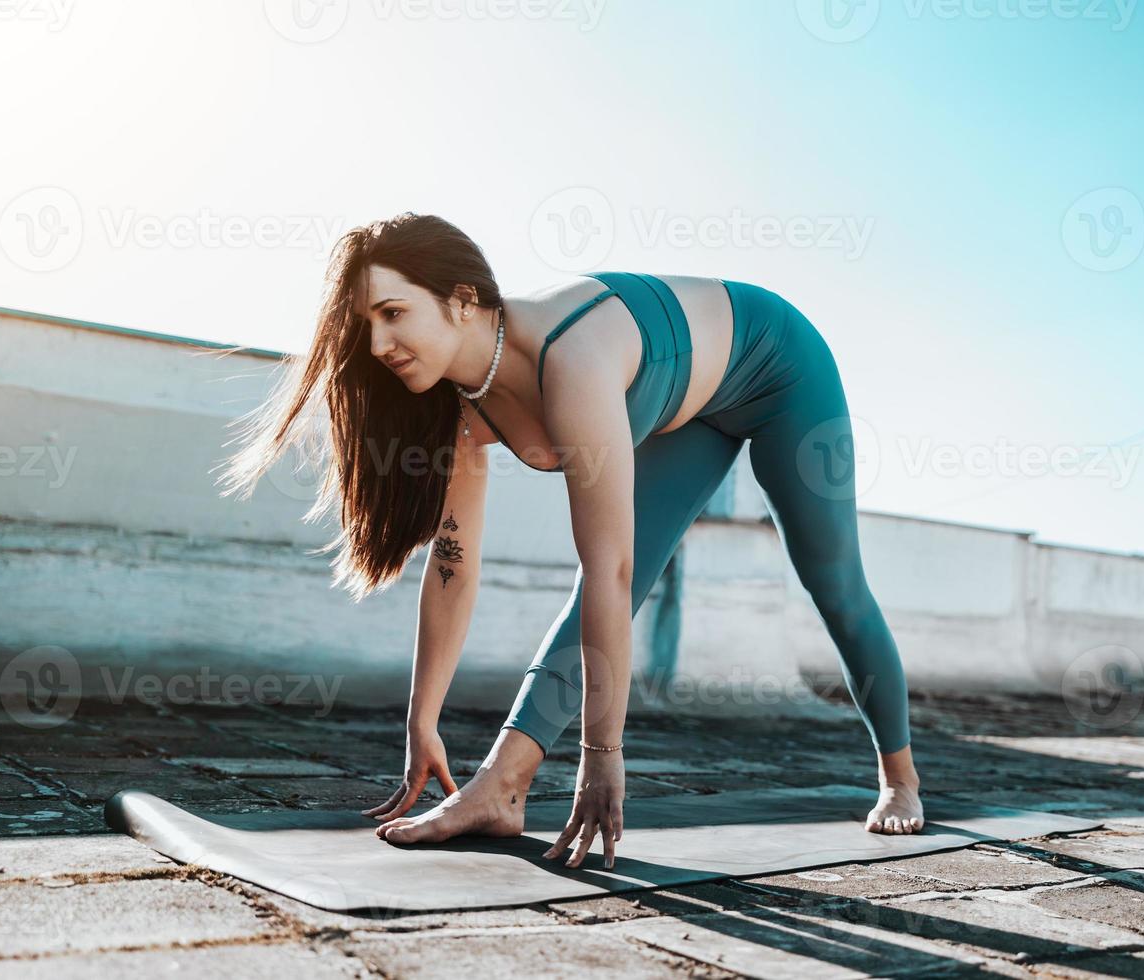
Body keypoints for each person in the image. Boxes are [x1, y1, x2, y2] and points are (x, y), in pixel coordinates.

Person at [217, 213, 924, 872]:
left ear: (463, 300)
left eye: (394, 314)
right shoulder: (459, 411)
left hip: (778, 366)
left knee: (831, 582)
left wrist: (602, 754)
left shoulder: (570, 358)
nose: (377, 345)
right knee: (612, 578)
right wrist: (420, 721)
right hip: (690, 412)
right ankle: (500, 789)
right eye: (365, 324)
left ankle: (901, 779)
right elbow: (453, 565)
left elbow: (608, 569)